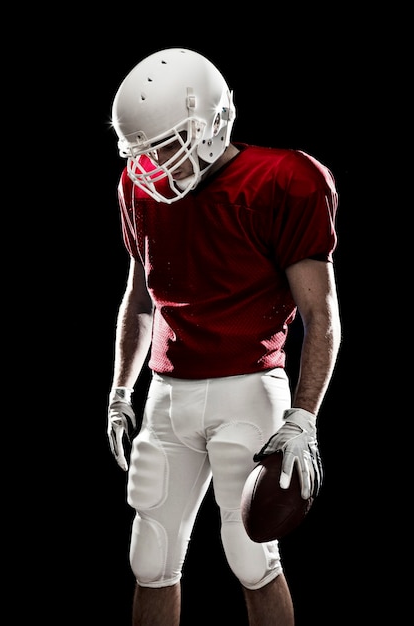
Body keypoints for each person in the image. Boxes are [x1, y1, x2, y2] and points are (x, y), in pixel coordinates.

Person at [107, 47, 341, 626]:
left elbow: (322, 313)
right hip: (166, 394)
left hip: (248, 385)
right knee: (150, 556)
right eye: (144, 153)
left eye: (166, 146)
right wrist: (119, 391)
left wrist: (304, 417)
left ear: (212, 121)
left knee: (252, 557)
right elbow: (140, 298)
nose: (155, 167)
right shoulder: (138, 189)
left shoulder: (284, 179)